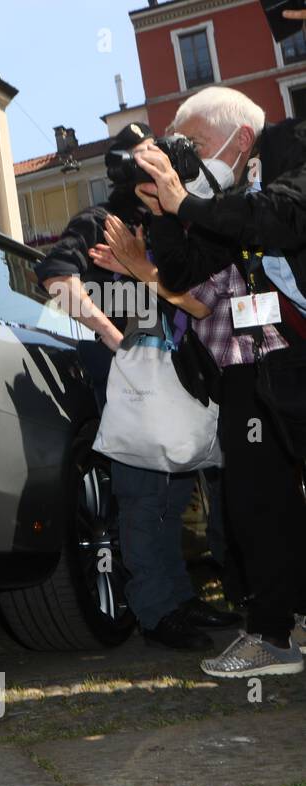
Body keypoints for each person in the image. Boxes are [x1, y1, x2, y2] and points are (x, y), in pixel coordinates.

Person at [35, 122, 238, 652]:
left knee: (172, 494)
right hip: (128, 375)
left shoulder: (174, 219)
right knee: (143, 497)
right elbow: (56, 277)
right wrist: (111, 336)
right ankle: (156, 611)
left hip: (173, 375)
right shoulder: (103, 220)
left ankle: (177, 597)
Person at [137, 87, 306, 677]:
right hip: (254, 367)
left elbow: (278, 219)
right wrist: (165, 212)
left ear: (239, 140)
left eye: (195, 145)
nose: (186, 158)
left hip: (296, 354)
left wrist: (186, 200)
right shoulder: (217, 199)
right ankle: (273, 634)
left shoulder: (290, 146)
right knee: (258, 505)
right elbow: (183, 272)